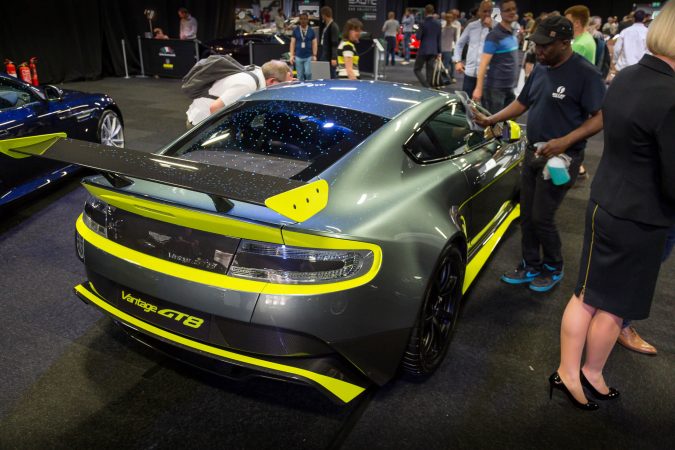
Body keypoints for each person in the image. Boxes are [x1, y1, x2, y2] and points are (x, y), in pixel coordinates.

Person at [552, 2, 675, 410]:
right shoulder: (671, 96)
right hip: (642, 216)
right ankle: (578, 373)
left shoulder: (625, 78)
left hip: (606, 202)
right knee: (609, 302)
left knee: (591, 296)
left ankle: (583, 373)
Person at [473, 15, 606, 292]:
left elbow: (600, 117)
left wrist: (565, 141)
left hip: (562, 159)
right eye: (537, 44)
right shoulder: (542, 69)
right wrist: (491, 119)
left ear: (566, 43)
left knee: (542, 217)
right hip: (533, 152)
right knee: (527, 213)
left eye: (546, 45)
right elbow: (522, 103)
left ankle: (553, 267)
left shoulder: (585, 74)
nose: (540, 50)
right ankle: (530, 264)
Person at [186, 60, 292, 127]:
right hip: (200, 122)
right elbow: (215, 108)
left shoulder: (259, 71)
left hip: (207, 114)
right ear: (272, 81)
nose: (282, 90)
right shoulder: (247, 85)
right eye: (282, 85)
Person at [473, 0, 520, 113]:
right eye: (507, 10)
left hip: (510, 88)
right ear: (501, 13)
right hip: (495, 89)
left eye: (513, 9)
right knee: (494, 126)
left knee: (505, 124)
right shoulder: (494, 35)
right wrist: (478, 89)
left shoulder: (512, 32)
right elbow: (483, 64)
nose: (512, 12)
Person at [453, 0, 493, 95]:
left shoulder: (496, 28)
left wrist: (491, 28)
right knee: (466, 103)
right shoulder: (471, 26)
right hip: (470, 72)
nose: (487, 14)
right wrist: (457, 61)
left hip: (487, 75)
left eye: (489, 11)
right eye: (484, 11)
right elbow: (459, 44)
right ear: (479, 11)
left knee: (484, 106)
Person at [413, 4, 442, 88]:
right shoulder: (438, 23)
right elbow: (439, 38)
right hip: (434, 50)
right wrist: (439, 52)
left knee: (417, 69)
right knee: (430, 70)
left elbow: (418, 37)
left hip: (423, 49)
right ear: (433, 11)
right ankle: (429, 88)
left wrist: (418, 31)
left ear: (425, 11)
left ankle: (426, 86)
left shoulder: (422, 23)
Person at [290, 13, 317, 81]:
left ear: (307, 20)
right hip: (298, 56)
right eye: (301, 19)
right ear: (299, 20)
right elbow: (292, 43)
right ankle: (301, 89)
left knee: (308, 73)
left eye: (305, 19)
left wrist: (314, 55)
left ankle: (309, 88)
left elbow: (314, 43)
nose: (303, 21)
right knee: (300, 76)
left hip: (308, 56)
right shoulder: (296, 30)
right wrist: (291, 55)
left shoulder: (311, 31)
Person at [319, 6, 340, 79]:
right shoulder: (327, 26)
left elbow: (334, 43)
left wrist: (334, 58)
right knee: (325, 75)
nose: (322, 17)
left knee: (332, 76)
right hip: (325, 55)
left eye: (322, 15)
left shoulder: (333, 26)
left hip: (330, 57)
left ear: (324, 15)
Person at [441, 12, 458, 82]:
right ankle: (446, 78)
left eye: (450, 17)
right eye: (447, 17)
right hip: (442, 49)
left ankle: (448, 78)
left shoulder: (454, 28)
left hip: (449, 49)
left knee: (448, 64)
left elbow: (455, 39)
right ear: (445, 18)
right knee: (444, 64)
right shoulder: (442, 28)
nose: (449, 19)